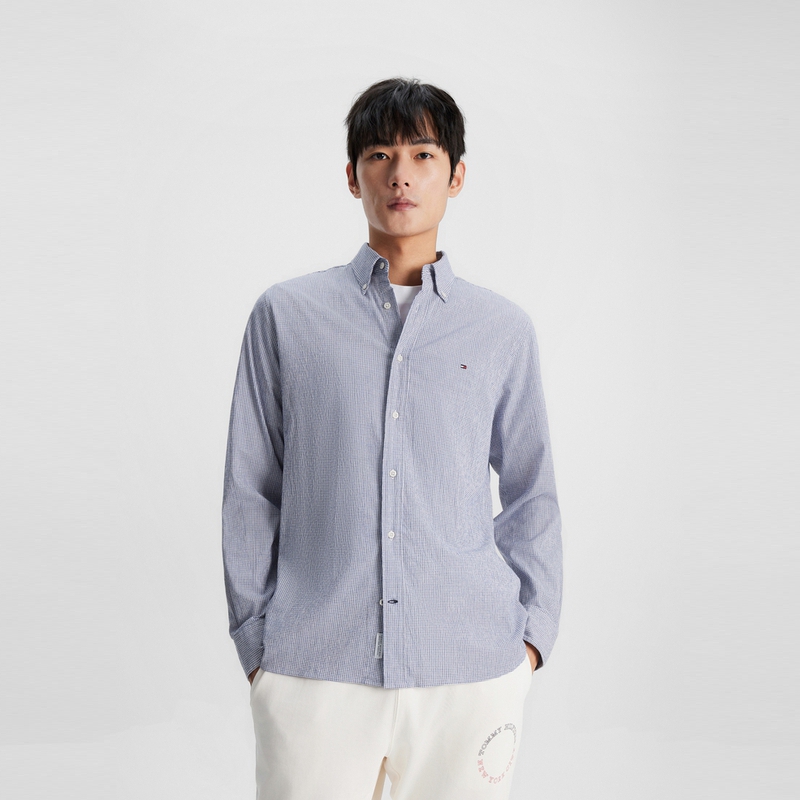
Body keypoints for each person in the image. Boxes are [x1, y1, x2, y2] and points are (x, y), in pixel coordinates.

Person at [222, 77, 563, 800]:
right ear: (352, 177)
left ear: (456, 176)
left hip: (470, 670)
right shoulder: (286, 316)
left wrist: (529, 642)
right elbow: (250, 486)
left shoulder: (501, 330)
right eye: (379, 154)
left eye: (422, 154)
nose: (400, 173)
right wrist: (257, 642)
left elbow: (532, 489)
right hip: (314, 667)